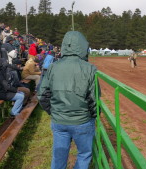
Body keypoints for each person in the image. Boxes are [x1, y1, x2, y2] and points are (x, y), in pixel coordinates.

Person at [37, 31, 101, 169]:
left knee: (59, 156)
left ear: (65, 46)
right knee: (84, 154)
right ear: (83, 47)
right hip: (82, 121)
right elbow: (94, 99)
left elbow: (42, 95)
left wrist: (54, 112)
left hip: (59, 121)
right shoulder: (90, 68)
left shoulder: (53, 66)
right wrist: (93, 116)